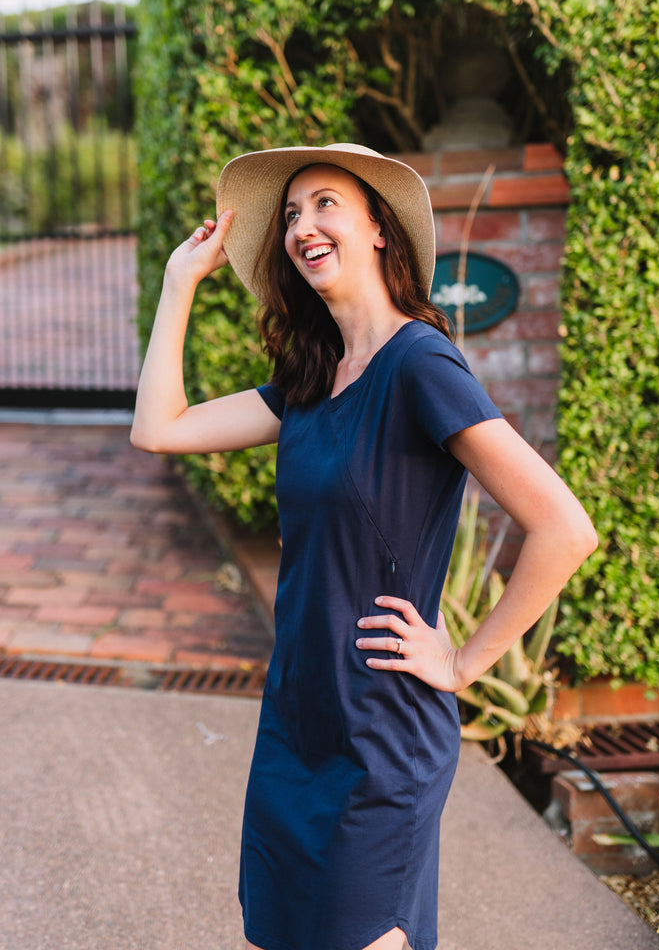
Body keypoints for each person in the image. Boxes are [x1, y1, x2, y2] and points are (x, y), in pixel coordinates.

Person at [131, 143, 597, 950]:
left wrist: (461, 664)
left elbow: (564, 527)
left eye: (325, 205)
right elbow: (159, 429)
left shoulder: (419, 365)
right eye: (289, 214)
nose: (302, 225)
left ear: (379, 230)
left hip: (381, 733)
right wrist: (179, 285)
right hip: (297, 720)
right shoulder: (309, 378)